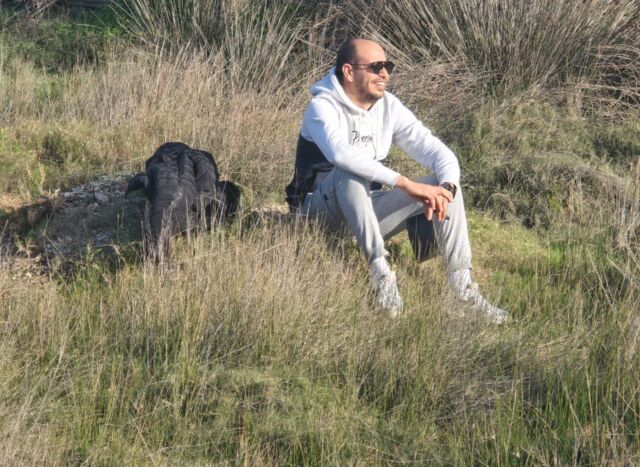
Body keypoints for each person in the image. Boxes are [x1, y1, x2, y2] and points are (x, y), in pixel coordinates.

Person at [285, 38, 508, 323]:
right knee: (348, 171)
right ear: (349, 71)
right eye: (376, 67)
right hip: (318, 218)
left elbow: (437, 151)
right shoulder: (322, 106)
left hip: (367, 214)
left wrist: (447, 188)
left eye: (387, 66)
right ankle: (382, 277)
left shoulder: (388, 107)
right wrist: (406, 184)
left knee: (443, 186)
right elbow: (342, 155)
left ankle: (462, 290)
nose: (384, 74)